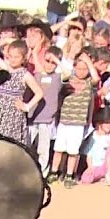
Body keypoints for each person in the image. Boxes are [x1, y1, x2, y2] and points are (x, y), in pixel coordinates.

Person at [50, 54, 95, 188]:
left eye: (84, 69)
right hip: (64, 121)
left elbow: (96, 77)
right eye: (79, 68)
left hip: (78, 124)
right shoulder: (67, 80)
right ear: (74, 68)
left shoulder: (88, 83)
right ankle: (54, 172)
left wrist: (88, 61)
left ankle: (70, 174)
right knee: (58, 149)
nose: (81, 72)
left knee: (73, 151)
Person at [29, 47, 64, 175]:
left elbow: (67, 73)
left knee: (43, 149)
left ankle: (43, 173)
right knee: (28, 145)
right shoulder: (36, 75)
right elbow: (37, 64)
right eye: (47, 61)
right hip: (32, 117)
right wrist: (34, 51)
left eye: (53, 63)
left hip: (47, 119)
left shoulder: (57, 77)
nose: (50, 65)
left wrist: (57, 60)